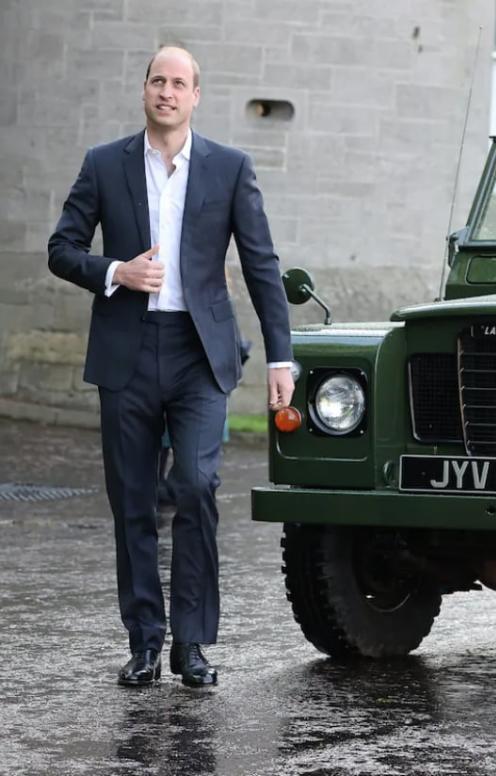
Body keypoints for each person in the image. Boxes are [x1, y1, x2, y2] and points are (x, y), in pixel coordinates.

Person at [47, 45, 294, 687]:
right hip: (126, 351)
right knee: (132, 501)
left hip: (198, 352)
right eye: (158, 80)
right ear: (145, 90)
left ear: (195, 96)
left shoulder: (230, 168)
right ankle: (145, 642)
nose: (167, 91)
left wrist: (280, 357)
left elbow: (262, 266)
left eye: (179, 83)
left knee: (195, 486)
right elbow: (61, 248)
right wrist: (115, 272)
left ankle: (192, 642)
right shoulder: (105, 164)